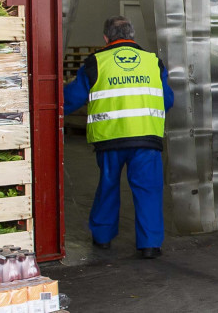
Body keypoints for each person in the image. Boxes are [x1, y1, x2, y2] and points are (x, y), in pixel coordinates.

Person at [63, 16, 175, 259]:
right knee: (148, 190)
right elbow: (167, 100)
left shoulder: (95, 63)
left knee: (108, 186)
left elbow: (70, 99)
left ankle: (102, 238)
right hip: (146, 138)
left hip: (110, 139)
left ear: (105, 38)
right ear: (132, 35)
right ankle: (149, 245)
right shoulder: (153, 62)